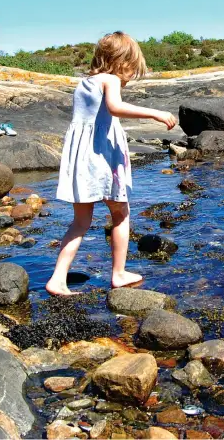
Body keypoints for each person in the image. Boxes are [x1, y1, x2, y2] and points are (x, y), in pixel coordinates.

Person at [46, 31, 177, 295]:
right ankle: (118, 273)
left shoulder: (85, 82)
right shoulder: (110, 80)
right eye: (131, 68)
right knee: (120, 213)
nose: (129, 76)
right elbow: (115, 107)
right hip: (101, 160)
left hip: (81, 161)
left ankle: (58, 278)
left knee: (80, 222)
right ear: (121, 62)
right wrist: (155, 113)